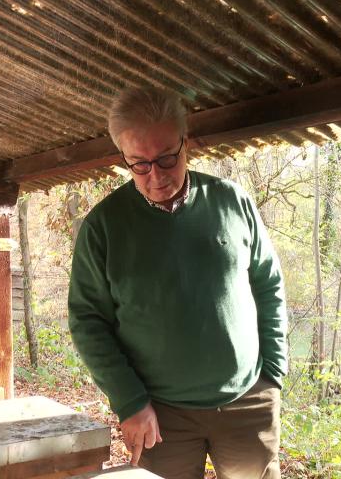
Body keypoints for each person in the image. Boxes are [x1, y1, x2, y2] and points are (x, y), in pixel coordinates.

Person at [68, 87, 288, 479]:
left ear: (186, 143)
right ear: (124, 158)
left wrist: (273, 373)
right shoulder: (104, 226)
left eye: (167, 158)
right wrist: (130, 402)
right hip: (158, 415)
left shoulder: (231, 202)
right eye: (139, 164)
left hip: (246, 403)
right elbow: (87, 321)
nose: (156, 176)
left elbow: (268, 286)